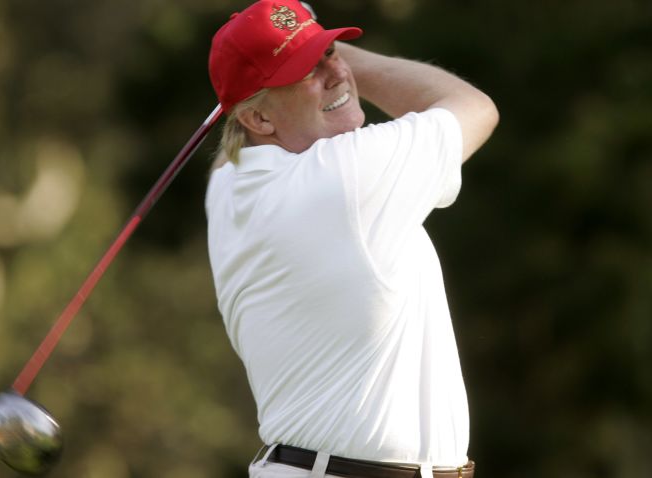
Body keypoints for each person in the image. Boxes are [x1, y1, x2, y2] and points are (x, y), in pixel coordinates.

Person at [205, 1, 498, 477]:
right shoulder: (343, 177)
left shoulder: (230, 187)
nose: (336, 73)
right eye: (307, 70)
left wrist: (290, 49)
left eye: (328, 54)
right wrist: (347, 53)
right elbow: (474, 108)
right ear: (259, 120)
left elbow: (229, 148)